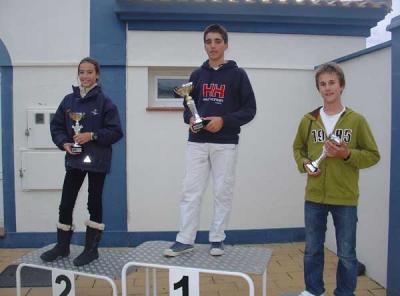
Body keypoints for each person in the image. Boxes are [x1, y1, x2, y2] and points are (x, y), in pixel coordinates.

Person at [164, 24, 257, 257]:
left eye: (217, 41)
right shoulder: (197, 75)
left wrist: (223, 121)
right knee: (190, 191)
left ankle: (217, 239)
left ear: (226, 44)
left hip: (225, 142)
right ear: (204, 45)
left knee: (222, 191)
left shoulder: (238, 75)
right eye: (208, 41)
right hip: (197, 142)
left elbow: (250, 110)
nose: (212, 46)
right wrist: (190, 120)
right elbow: (188, 107)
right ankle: (185, 240)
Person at [292, 62, 380, 296]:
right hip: (314, 196)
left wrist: (347, 154)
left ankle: (344, 293)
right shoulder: (308, 119)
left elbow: (373, 155)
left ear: (342, 86)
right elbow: (298, 149)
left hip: (345, 197)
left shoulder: (356, 120)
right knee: (312, 249)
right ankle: (313, 290)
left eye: (332, 83)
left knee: (347, 253)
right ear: (318, 88)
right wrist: (304, 164)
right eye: (322, 84)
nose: (327, 88)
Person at [40, 57, 123, 266]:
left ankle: (91, 250)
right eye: (82, 72)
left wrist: (92, 136)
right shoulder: (69, 101)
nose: (85, 76)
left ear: (97, 75)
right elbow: (57, 126)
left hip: (97, 160)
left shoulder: (105, 102)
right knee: (66, 202)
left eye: (89, 72)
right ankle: (62, 246)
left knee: (93, 203)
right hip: (75, 159)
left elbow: (116, 132)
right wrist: (64, 143)